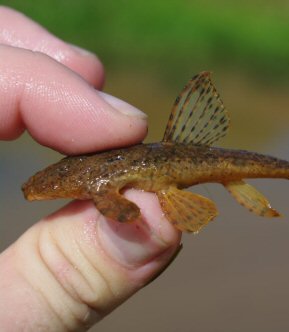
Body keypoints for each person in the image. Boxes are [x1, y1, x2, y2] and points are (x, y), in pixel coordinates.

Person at [0, 6, 182, 331]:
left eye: (49, 185)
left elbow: (127, 216)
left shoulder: (97, 184)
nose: (39, 189)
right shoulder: (86, 177)